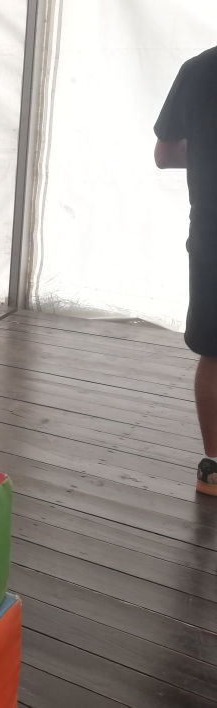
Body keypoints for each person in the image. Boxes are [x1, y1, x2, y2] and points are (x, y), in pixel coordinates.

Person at [153, 47, 217, 496]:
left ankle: (213, 466)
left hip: (212, 234)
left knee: (213, 352)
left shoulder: (199, 70)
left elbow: (164, 154)